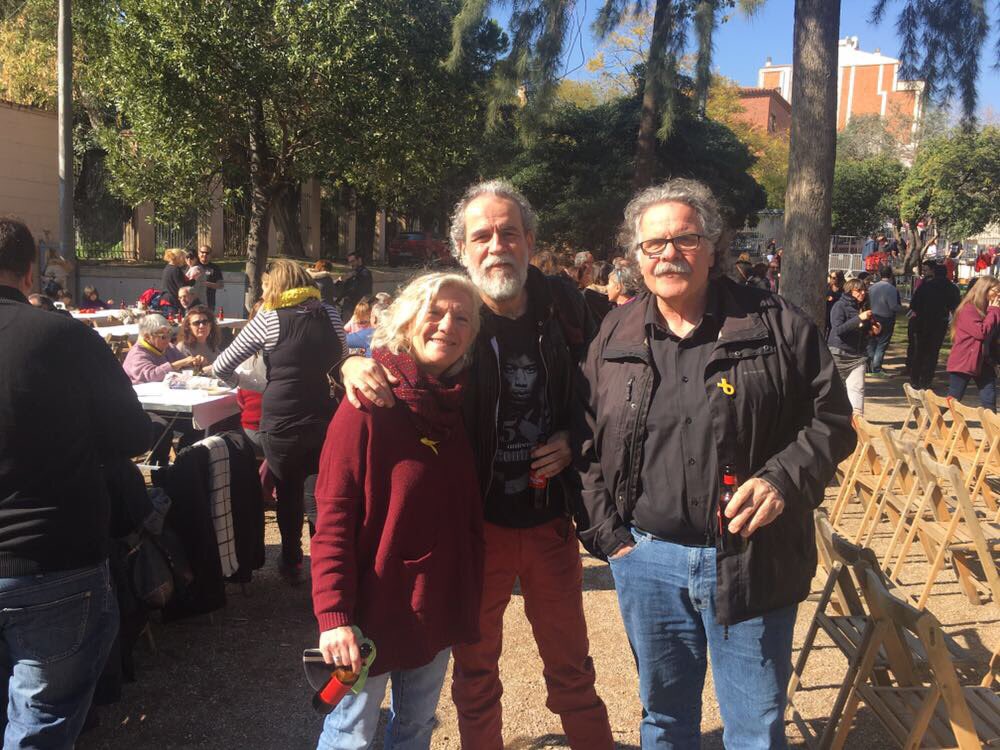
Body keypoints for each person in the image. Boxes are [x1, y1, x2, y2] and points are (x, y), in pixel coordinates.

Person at [574, 179, 855, 748]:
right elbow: (583, 438)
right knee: (665, 720)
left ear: (713, 245)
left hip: (752, 559)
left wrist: (783, 478)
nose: (669, 254)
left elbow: (832, 422)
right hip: (647, 561)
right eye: (653, 244)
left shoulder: (777, 325)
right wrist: (610, 538)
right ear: (636, 256)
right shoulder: (615, 331)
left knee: (754, 728)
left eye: (685, 239)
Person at [341, 180, 613, 750]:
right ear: (461, 248)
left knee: (571, 669)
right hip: (475, 532)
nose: (497, 246)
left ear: (529, 241)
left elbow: (613, 393)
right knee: (475, 674)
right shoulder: (453, 313)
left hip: (548, 521)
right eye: (482, 235)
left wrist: (574, 437)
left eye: (509, 233)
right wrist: (347, 364)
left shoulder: (569, 308)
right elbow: (398, 351)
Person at [311, 272, 485, 750]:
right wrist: (333, 615)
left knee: (415, 729)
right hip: (369, 614)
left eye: (462, 317)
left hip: (434, 605)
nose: (447, 325)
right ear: (408, 319)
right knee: (351, 733)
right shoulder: (366, 403)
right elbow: (333, 520)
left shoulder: (454, 403)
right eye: (435, 311)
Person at [0, 218, 151, 747]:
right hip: (53, 559)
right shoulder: (64, 336)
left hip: (48, 561)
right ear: (28, 272)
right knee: (41, 721)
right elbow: (134, 432)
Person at [213, 259, 345, 580]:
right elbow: (342, 357)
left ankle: (292, 561)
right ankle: (326, 569)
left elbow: (222, 366)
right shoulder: (330, 313)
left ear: (275, 284)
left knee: (288, 493)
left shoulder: (268, 318)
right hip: (323, 416)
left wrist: (256, 383)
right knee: (318, 494)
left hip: (281, 419)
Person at [947, 278, 1000, 412]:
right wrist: (994, 310)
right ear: (985, 290)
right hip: (965, 360)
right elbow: (981, 332)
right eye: (996, 291)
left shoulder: (988, 310)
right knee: (954, 397)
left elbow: (993, 335)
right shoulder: (968, 309)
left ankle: (993, 429)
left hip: (983, 360)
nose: (999, 294)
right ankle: (932, 419)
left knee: (989, 396)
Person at [828, 279, 878, 413]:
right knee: (835, 389)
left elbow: (864, 331)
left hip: (858, 356)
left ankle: (857, 420)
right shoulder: (840, 306)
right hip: (839, 353)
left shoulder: (863, 306)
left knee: (858, 388)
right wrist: (859, 319)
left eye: (864, 290)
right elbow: (838, 329)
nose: (862, 293)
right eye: (858, 290)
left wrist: (874, 330)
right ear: (850, 291)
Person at [909, 263, 961, 389]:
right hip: (939, 322)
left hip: (922, 321)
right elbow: (955, 306)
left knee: (920, 350)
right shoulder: (951, 288)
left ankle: (915, 378)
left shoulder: (925, 286)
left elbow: (913, 305)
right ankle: (927, 379)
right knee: (933, 352)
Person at [122, 313, 206, 384]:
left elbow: (185, 365)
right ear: (147, 337)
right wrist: (177, 364)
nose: (168, 339)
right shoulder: (137, 355)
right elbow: (152, 376)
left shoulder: (169, 347)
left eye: (169, 334)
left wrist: (195, 363)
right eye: (163, 337)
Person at [867, 266, 902, 374]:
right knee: (882, 344)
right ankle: (876, 367)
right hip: (886, 318)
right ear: (891, 275)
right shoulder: (891, 289)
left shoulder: (872, 288)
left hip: (873, 316)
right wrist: (901, 308)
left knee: (872, 342)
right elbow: (893, 306)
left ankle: (870, 365)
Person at [332, 251, 373, 322]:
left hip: (358, 306)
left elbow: (366, 292)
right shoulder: (351, 273)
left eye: (353, 261)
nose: (351, 264)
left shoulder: (365, 273)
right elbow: (344, 288)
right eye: (350, 262)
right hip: (348, 305)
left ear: (359, 260)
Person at [196, 245, 225, 310]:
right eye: (202, 252)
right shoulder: (193, 266)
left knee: (208, 320)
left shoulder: (215, 268)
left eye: (207, 253)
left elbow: (220, 285)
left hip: (209, 302)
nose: (204, 254)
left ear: (210, 255)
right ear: (198, 253)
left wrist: (206, 283)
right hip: (194, 301)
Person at [825, 270, 845, 336]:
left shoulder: (843, 289)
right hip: (826, 311)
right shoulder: (827, 287)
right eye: (830, 277)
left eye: (834, 278)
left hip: (836, 312)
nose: (831, 279)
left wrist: (834, 297)